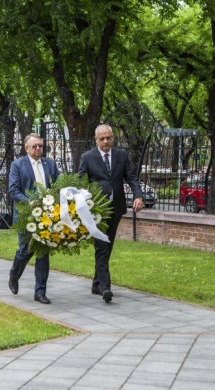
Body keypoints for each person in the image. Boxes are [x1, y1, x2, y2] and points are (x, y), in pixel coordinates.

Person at [78, 124, 144, 303]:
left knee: (108, 246)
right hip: (97, 211)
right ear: (96, 140)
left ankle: (96, 283)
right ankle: (105, 288)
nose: (106, 141)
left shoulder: (121, 156)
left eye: (109, 138)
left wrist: (138, 196)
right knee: (101, 246)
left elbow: (131, 177)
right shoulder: (87, 157)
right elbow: (81, 182)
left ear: (113, 138)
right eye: (102, 139)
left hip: (116, 208)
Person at [8, 133, 60, 304]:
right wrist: (30, 202)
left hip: (47, 216)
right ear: (26, 148)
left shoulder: (50, 164)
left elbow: (58, 185)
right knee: (25, 250)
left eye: (40, 146)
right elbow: (14, 190)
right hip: (26, 216)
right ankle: (14, 274)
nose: (38, 149)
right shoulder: (17, 165)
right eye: (35, 146)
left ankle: (40, 291)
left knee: (43, 253)